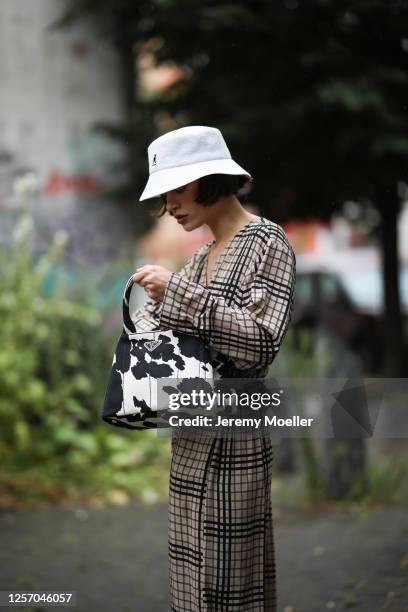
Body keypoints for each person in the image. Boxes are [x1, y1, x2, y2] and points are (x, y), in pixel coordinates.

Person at [132, 125, 296, 612]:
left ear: (212, 179)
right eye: (164, 197)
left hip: (236, 441)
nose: (172, 206)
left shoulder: (267, 241)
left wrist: (178, 295)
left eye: (177, 190)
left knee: (231, 583)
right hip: (189, 436)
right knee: (189, 579)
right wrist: (144, 320)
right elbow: (179, 340)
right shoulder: (199, 257)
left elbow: (262, 343)